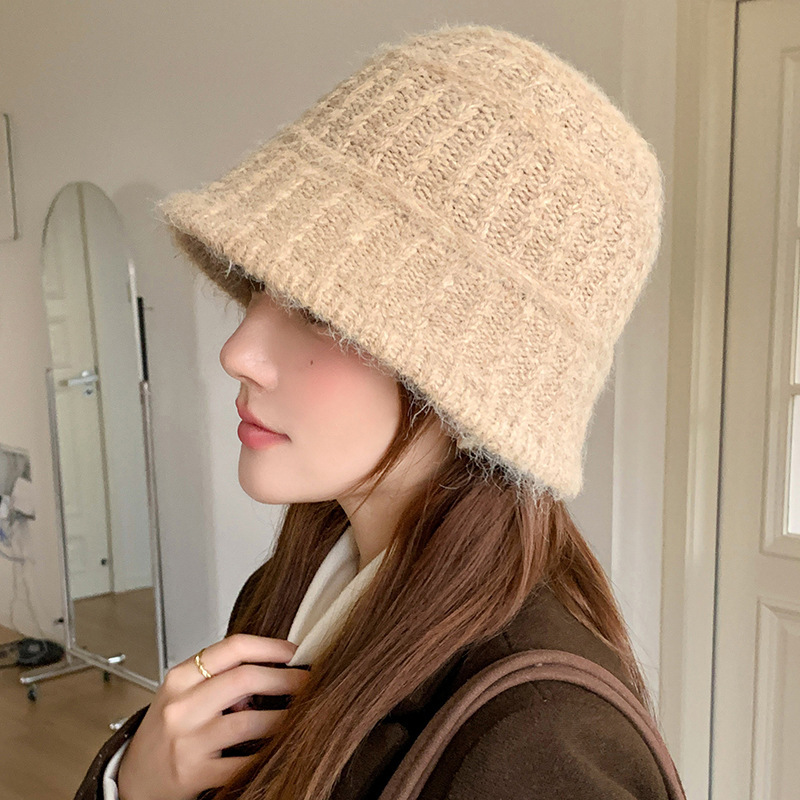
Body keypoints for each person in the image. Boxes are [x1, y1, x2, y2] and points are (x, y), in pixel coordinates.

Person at [73, 21, 673, 800]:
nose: (239, 350)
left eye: (320, 313)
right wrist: (134, 783)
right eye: (259, 289)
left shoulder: (540, 741)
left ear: (472, 375)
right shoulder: (288, 588)